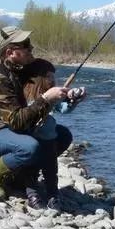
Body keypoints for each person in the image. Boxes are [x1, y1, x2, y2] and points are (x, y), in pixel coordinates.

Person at [0, 26, 85, 210]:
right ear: (11, 52)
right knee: (29, 146)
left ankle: (18, 174)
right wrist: (45, 98)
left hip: (4, 127)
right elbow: (17, 121)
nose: (31, 48)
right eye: (25, 45)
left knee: (62, 135)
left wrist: (69, 99)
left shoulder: (17, 68)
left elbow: (35, 98)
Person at [21, 58, 85, 210]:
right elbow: (29, 110)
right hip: (30, 142)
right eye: (48, 76)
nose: (52, 80)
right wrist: (48, 98)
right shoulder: (26, 97)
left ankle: (53, 195)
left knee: (51, 170)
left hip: (49, 139)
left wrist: (73, 100)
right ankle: (32, 194)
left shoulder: (50, 95)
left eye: (53, 77)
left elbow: (63, 109)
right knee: (31, 170)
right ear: (37, 79)